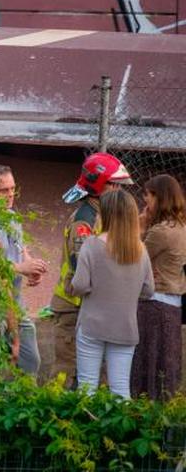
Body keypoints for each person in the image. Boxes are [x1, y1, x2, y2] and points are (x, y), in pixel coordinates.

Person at [50, 152, 135, 387]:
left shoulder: (104, 216)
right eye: (115, 185)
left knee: (96, 378)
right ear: (100, 185)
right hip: (74, 307)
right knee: (67, 375)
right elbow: (83, 267)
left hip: (94, 307)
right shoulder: (85, 220)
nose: (119, 191)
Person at [68, 188, 154, 399]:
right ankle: (119, 431)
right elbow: (149, 290)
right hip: (125, 327)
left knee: (86, 388)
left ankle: (85, 430)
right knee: (120, 390)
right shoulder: (140, 250)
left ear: (105, 214)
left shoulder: (92, 245)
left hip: (92, 325)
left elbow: (79, 285)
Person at [0, 164, 47, 375]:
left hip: (17, 304)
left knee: (31, 362)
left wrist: (31, 267)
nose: (10, 194)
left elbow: (21, 249)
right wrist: (22, 267)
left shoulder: (11, 217)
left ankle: (23, 404)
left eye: (12, 189)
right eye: (3, 190)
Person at [131, 174, 186, 399]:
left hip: (155, 305)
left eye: (148, 196)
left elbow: (133, 258)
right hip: (171, 305)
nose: (145, 201)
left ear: (159, 197)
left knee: (148, 364)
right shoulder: (181, 227)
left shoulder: (161, 231)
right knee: (166, 365)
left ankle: (145, 415)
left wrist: (140, 226)